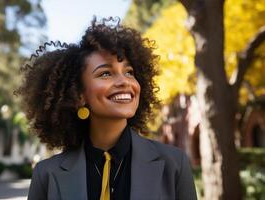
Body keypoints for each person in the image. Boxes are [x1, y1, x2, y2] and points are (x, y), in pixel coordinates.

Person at [16, 17, 197, 200]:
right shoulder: (46, 174)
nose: (124, 81)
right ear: (79, 95)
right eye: (106, 73)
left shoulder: (174, 165)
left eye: (129, 72)